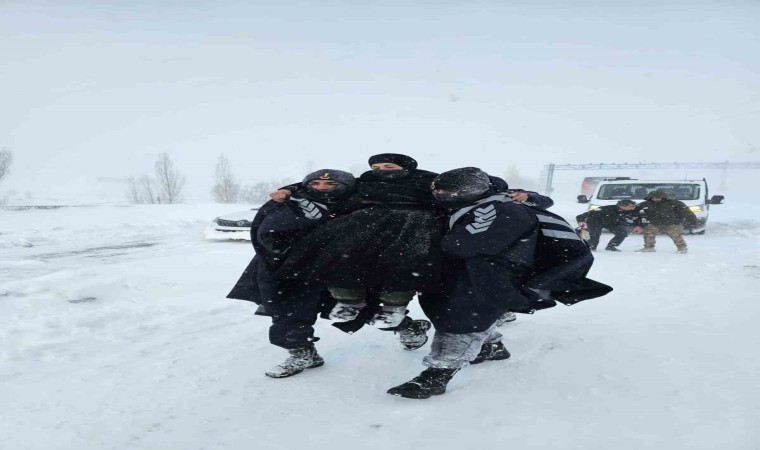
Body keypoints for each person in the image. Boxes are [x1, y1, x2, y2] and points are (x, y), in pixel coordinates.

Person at [388, 167, 612, 399]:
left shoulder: (500, 208)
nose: (440, 194)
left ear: (468, 190)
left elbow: (462, 245)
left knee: (460, 319)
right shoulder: (471, 202)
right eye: (437, 190)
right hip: (473, 274)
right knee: (467, 313)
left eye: (447, 191)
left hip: (492, 276)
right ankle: (490, 347)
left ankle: (437, 375)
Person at [227, 169, 357, 378]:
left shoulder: (358, 203)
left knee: (364, 309)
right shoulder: (290, 201)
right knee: (288, 314)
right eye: (315, 184)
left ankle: (406, 327)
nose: (321, 188)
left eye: (330, 184)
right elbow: (263, 230)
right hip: (290, 268)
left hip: (342, 267)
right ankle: (303, 354)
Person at [633, 189, 697, 254]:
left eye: (657, 198)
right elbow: (635, 208)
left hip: (673, 223)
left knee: (676, 235)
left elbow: (687, 212)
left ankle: (682, 248)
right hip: (654, 222)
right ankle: (649, 247)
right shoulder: (648, 203)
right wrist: (634, 214)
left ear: (663, 197)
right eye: (653, 198)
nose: (655, 199)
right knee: (649, 233)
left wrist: (692, 220)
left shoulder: (675, 203)